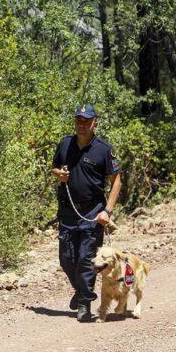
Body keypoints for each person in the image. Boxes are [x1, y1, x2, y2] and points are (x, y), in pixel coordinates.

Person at [51, 104, 121, 321]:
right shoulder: (65, 143)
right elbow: (54, 167)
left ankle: (84, 304)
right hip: (68, 210)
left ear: (95, 124)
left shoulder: (103, 149)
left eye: (86, 121)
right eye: (79, 120)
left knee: (86, 258)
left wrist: (107, 211)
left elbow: (116, 180)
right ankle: (81, 290)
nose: (82, 125)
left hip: (93, 211)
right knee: (66, 258)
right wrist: (58, 174)